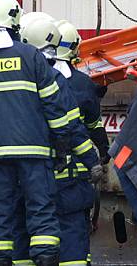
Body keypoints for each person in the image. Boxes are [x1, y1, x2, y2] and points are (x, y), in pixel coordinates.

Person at [0, 0, 78, 266]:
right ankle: (45, 260)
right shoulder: (31, 57)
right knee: (40, 210)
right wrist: (61, 146)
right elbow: (54, 106)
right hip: (34, 152)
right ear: (14, 20)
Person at [16, 17, 102, 266]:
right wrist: (92, 160)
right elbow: (75, 127)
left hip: (25, 180)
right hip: (65, 179)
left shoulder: (15, 83)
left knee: (26, 237)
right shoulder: (61, 81)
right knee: (70, 242)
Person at [53, 19, 110, 164]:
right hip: (74, 163)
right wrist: (104, 150)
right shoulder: (82, 83)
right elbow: (93, 124)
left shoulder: (36, 75)